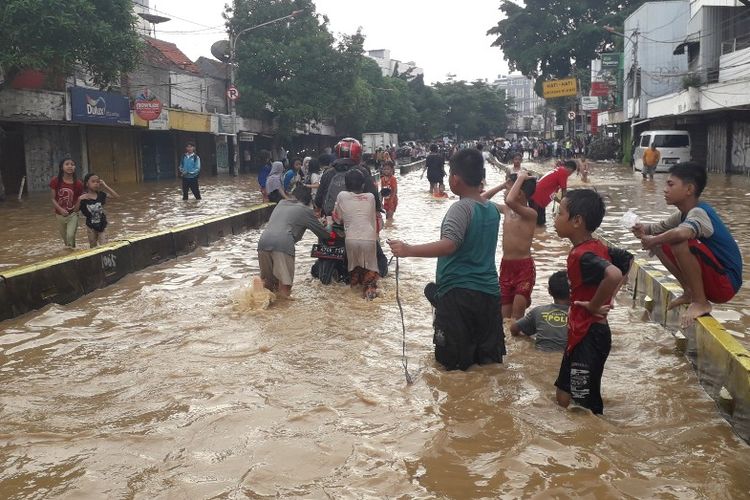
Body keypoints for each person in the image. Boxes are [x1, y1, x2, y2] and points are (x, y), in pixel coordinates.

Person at [388, 148, 504, 371]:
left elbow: (450, 244)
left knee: (451, 368)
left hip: (458, 296)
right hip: (489, 295)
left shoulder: (460, 209)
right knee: (488, 366)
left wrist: (408, 249)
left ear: (456, 179)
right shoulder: (490, 210)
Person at [632, 162, 742, 325]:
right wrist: (641, 229)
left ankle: (700, 302)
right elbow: (655, 229)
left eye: (670, 184)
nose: (665, 189)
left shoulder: (699, 212)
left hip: (726, 283)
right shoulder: (682, 215)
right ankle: (689, 292)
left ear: (689, 189)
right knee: (662, 241)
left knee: (678, 241)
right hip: (715, 278)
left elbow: (682, 233)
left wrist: (653, 239)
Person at [553, 189, 633, 414]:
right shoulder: (598, 247)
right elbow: (627, 259)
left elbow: (614, 275)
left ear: (577, 221)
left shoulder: (583, 255)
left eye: (559, 213)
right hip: (579, 334)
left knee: (585, 408)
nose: (555, 219)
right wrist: (610, 296)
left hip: (590, 334)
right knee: (563, 394)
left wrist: (597, 304)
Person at [257, 185, 331, 298]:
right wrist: (327, 226)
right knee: (285, 285)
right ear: (308, 201)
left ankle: (258, 298)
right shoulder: (305, 210)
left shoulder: (280, 203)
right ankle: (284, 311)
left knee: (267, 283)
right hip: (283, 244)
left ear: (293, 195)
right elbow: (324, 234)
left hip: (263, 242)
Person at [333, 169, 381, 300]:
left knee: (355, 273)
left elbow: (337, 218)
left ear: (346, 185)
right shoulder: (370, 197)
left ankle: (354, 302)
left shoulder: (342, 195)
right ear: (363, 185)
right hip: (369, 239)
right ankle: (370, 297)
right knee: (370, 274)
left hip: (351, 239)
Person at [498, 171, 539, 320]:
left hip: (524, 268)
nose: (506, 192)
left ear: (519, 193)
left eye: (509, 188)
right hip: (506, 267)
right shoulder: (507, 210)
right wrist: (502, 185)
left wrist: (521, 177)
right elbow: (481, 199)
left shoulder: (531, 213)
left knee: (516, 318)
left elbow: (509, 200)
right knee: (504, 320)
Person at [510, 270, 569, 352]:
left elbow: (513, 329)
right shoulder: (581, 315)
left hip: (541, 354)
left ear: (549, 291)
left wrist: (529, 341)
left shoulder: (538, 311)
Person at [76, 173, 119, 248]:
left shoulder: (101, 195)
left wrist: (105, 186)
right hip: (90, 226)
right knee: (93, 247)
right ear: (87, 184)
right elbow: (75, 210)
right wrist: (79, 200)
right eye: (93, 182)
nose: (96, 184)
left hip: (102, 224)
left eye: (98, 182)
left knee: (104, 246)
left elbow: (116, 196)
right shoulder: (83, 198)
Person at [529, 160, 578, 226]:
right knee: (537, 223)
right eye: (571, 172)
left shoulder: (558, 170)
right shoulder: (563, 173)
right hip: (537, 199)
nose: (570, 175)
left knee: (539, 223)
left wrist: (560, 201)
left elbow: (552, 193)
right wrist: (565, 206)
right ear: (570, 169)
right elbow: (564, 191)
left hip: (535, 197)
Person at [50, 157, 84, 248]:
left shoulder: (78, 184)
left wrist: (76, 211)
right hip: (59, 215)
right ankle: (72, 254)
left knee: (70, 236)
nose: (70, 166)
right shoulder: (55, 181)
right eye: (67, 164)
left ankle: (73, 255)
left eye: (72, 164)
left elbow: (79, 200)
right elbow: (53, 199)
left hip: (72, 214)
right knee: (66, 240)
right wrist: (60, 210)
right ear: (61, 167)